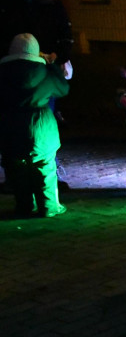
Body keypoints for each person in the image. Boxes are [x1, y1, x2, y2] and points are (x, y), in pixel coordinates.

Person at [0, 33, 70, 217]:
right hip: (41, 126)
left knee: (17, 169)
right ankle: (49, 207)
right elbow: (63, 88)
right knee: (45, 167)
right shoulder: (45, 73)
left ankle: (24, 206)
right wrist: (51, 65)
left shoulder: (2, 73)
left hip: (10, 125)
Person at [0, 0, 73, 71]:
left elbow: (65, 34)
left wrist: (58, 54)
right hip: (10, 66)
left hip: (47, 64)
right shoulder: (5, 2)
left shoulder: (52, 3)